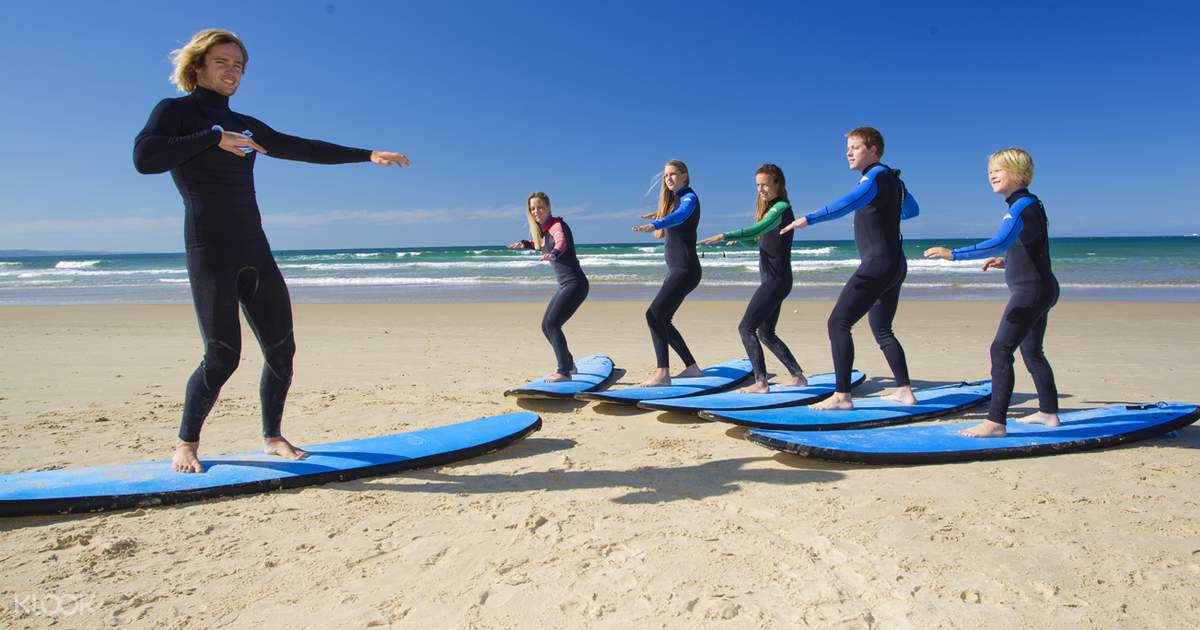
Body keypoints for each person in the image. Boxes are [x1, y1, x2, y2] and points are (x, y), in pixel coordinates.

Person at [133, 29, 411, 473]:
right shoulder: (175, 113)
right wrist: (212, 137)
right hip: (210, 249)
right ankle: (186, 443)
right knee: (222, 356)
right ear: (198, 66)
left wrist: (368, 154)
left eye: (239, 65)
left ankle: (273, 436)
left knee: (282, 349)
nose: (232, 71)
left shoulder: (246, 124)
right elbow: (145, 158)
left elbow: (300, 147)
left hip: (255, 249)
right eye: (223, 62)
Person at [780, 127, 920, 409]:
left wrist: (808, 219)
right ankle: (905, 390)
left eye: (855, 147)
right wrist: (888, 208)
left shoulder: (874, 177)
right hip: (895, 263)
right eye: (848, 148)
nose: (848, 152)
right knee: (882, 328)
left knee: (838, 323)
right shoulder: (894, 179)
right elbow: (912, 210)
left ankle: (842, 395)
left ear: (874, 150)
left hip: (877, 265)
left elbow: (848, 203)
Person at [924, 148, 1060, 437]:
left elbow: (999, 241)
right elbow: (1031, 249)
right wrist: (1007, 262)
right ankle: (1048, 413)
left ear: (1017, 173)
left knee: (1000, 350)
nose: (991, 176)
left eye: (998, 170)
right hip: (1041, 287)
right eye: (989, 172)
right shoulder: (1031, 204)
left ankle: (995, 422)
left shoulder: (1021, 206)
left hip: (1031, 292)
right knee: (1032, 352)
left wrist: (953, 254)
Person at [699, 164, 806, 393]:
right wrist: (739, 240)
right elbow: (758, 237)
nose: (761, 189)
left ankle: (761, 382)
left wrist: (726, 234)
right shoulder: (770, 211)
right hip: (775, 280)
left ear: (778, 182)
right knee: (766, 333)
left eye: (765, 184)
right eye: (758, 185)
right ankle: (797, 376)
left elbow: (757, 228)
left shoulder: (781, 208)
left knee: (746, 328)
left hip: (776, 280)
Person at [632, 160, 703, 386]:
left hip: (685, 270)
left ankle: (663, 373)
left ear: (685, 175)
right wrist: (658, 214)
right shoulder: (677, 201)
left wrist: (657, 223)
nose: (668, 179)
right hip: (679, 269)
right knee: (663, 319)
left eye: (673, 174)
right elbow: (676, 212)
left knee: (653, 315)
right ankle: (692, 367)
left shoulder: (689, 198)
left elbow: (681, 215)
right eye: (666, 176)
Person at [507, 192, 589, 381]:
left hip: (575, 284)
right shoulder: (544, 231)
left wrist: (554, 253)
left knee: (552, 324)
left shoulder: (556, 225)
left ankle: (564, 371)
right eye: (532, 208)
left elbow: (560, 241)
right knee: (546, 325)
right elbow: (541, 245)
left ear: (549, 207)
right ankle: (569, 364)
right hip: (566, 285)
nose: (536, 211)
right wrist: (525, 244)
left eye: (540, 207)